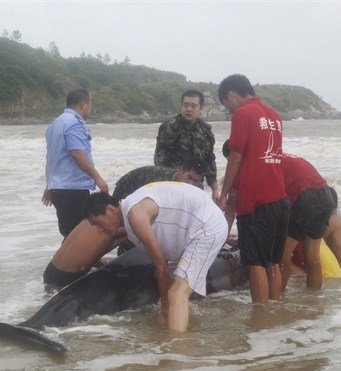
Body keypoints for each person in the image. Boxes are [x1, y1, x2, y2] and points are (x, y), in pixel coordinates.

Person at [81, 182, 228, 332]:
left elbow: (162, 268)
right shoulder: (131, 213)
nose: (99, 230)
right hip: (189, 230)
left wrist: (165, 310)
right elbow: (162, 271)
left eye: (98, 223)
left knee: (177, 292)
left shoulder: (135, 215)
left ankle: (176, 350)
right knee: (172, 291)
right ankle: (178, 324)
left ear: (110, 210)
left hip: (205, 227)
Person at [43, 159, 206, 288]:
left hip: (52, 270)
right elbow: (161, 235)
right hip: (67, 279)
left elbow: (86, 248)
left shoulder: (96, 216)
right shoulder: (120, 223)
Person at [217, 74, 290, 305]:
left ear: (231, 95)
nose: (229, 110)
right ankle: (274, 312)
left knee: (255, 262)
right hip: (280, 199)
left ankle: (261, 317)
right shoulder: (274, 115)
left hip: (256, 201)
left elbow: (236, 155)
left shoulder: (243, 113)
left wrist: (225, 192)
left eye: (226, 105)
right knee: (272, 261)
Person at [42, 89, 108, 237]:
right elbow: (77, 154)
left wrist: (49, 185)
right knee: (77, 234)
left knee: (70, 232)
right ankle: (68, 261)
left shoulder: (55, 124)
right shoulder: (74, 124)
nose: (90, 109)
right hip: (72, 188)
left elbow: (52, 158)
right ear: (84, 105)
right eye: (90, 105)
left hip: (59, 188)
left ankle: (73, 260)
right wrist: (98, 178)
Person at [279, 154, 336, 291]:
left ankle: (277, 302)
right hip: (326, 195)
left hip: (304, 195)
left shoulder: (266, 164)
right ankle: (313, 300)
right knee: (313, 258)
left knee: (283, 257)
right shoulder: (287, 158)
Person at [154, 90, 219, 201]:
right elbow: (160, 160)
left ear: (201, 109)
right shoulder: (169, 127)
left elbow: (209, 160)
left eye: (193, 106)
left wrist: (215, 189)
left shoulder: (205, 131)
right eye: (186, 105)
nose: (189, 109)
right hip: (171, 184)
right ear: (181, 106)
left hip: (196, 184)